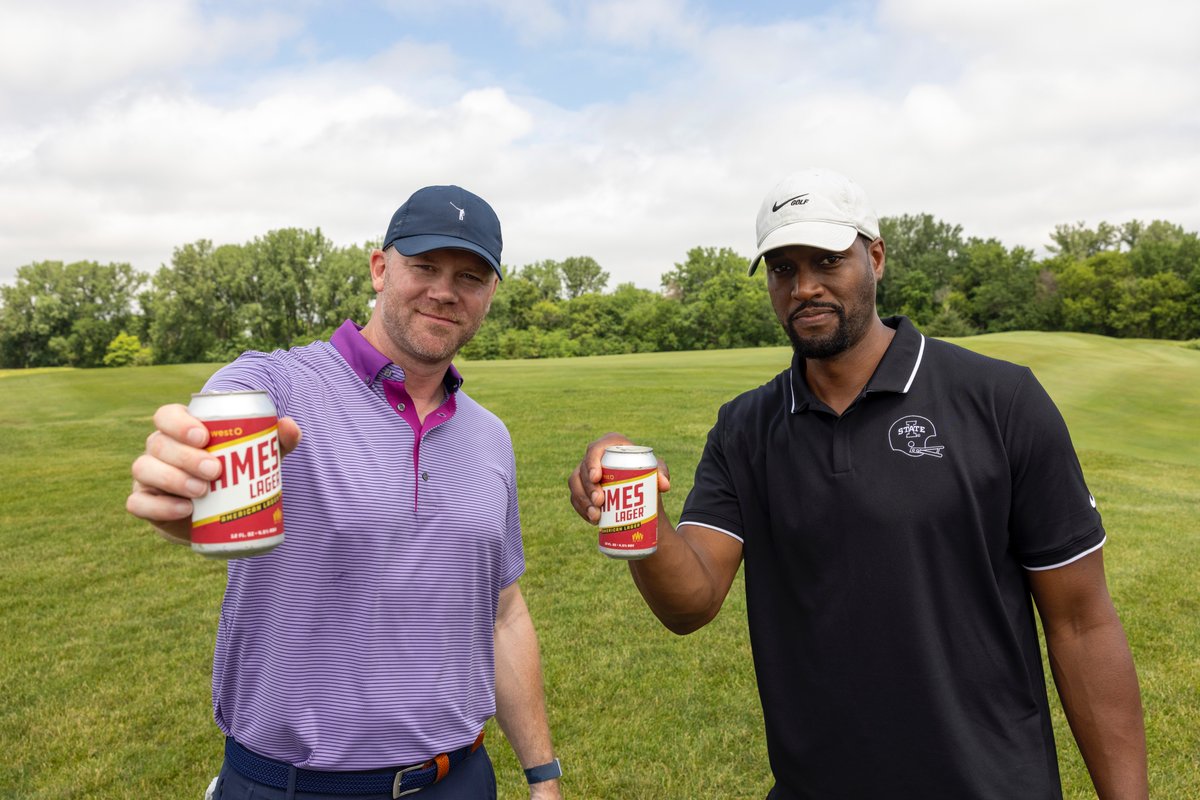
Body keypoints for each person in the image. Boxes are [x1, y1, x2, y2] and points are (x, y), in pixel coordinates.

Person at [568, 169, 1148, 799]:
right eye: (783, 269)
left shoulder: (999, 400)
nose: (805, 287)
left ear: (874, 258)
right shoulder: (745, 428)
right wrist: (637, 508)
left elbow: (1083, 623)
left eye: (827, 261)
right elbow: (690, 602)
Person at [128, 185, 562, 799]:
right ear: (380, 269)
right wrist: (186, 498)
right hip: (293, 786)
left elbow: (504, 612)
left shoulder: (490, 436)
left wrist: (543, 777)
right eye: (425, 267)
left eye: (469, 276)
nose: (445, 290)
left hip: (459, 779)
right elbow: (210, 462)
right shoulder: (271, 383)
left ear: (489, 294)